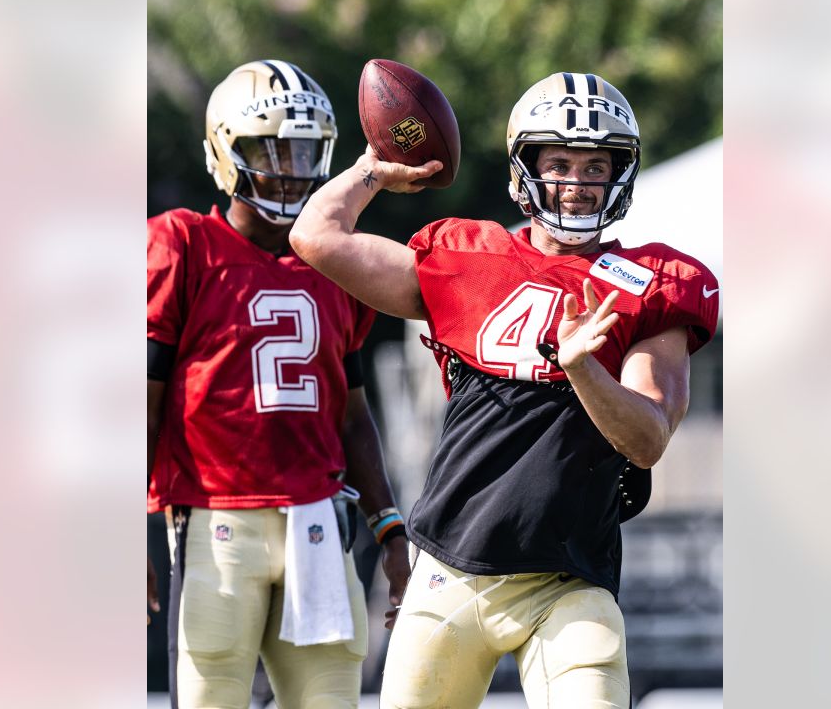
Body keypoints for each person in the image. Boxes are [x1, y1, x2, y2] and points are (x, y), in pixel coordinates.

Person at [290, 72, 719, 707]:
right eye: (560, 162)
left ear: (621, 174)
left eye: (596, 165)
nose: (576, 182)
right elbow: (315, 236)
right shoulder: (467, 255)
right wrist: (375, 169)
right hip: (448, 572)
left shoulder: (655, 281)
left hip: (567, 585)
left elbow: (649, 437)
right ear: (523, 172)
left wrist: (585, 369)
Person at [147, 60, 410, 709]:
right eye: (271, 149)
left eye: (302, 150)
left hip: (319, 524)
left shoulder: (333, 261)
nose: (290, 167)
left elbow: (353, 415)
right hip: (216, 522)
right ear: (225, 152)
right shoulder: (183, 245)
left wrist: (390, 528)